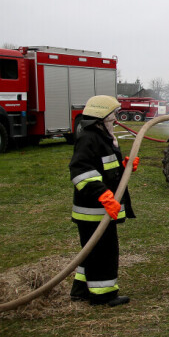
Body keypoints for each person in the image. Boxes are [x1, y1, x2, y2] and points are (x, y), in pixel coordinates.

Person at [68, 95, 138, 306]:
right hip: (93, 211)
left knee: (91, 252)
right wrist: (104, 196)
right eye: (113, 115)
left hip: (100, 210)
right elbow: (81, 171)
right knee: (104, 253)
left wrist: (124, 167)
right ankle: (103, 295)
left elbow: (105, 169)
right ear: (102, 117)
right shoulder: (89, 138)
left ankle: (81, 289)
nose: (115, 119)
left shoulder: (103, 137)